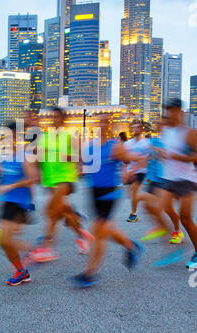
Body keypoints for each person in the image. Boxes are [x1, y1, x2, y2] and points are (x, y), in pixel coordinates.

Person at [71, 114, 145, 288]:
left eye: (105, 121)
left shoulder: (115, 146)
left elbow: (132, 158)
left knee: (99, 232)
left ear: (110, 125)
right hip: (93, 194)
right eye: (99, 121)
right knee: (106, 229)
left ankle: (89, 273)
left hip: (109, 194)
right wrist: (78, 169)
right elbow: (82, 167)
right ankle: (131, 246)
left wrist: (132, 170)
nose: (102, 124)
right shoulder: (89, 147)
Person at [0, 121, 39, 286]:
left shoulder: (26, 156)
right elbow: (2, 176)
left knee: (5, 239)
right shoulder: (3, 156)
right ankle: (22, 270)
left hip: (20, 202)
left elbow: (33, 179)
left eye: (14, 136)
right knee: (6, 240)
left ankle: (32, 253)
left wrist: (12, 186)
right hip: (7, 201)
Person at [32, 107, 93, 262]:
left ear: (63, 119)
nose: (54, 120)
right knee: (63, 212)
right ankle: (82, 234)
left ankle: (47, 246)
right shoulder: (44, 137)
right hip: (50, 179)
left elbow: (78, 158)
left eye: (57, 117)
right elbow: (38, 157)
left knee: (50, 211)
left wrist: (59, 154)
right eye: (52, 117)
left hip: (65, 178)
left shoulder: (69, 137)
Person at [155, 98, 197, 269]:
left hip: (187, 179)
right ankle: (171, 250)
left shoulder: (190, 133)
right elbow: (165, 153)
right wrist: (160, 154)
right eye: (168, 111)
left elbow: (195, 157)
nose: (170, 114)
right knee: (157, 209)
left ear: (180, 112)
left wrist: (173, 156)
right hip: (170, 179)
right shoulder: (166, 132)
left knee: (186, 218)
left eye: (173, 111)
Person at [139, 117, 183, 244]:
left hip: (167, 179)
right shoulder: (154, 141)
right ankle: (164, 227)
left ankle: (176, 231)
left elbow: (176, 159)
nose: (159, 126)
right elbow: (149, 159)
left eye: (162, 124)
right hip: (154, 178)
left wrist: (163, 154)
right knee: (148, 206)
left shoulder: (172, 142)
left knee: (162, 208)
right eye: (158, 124)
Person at [124, 121, 150, 222]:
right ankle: (151, 200)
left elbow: (146, 160)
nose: (135, 130)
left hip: (141, 171)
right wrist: (126, 172)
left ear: (141, 129)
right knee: (131, 194)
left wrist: (134, 169)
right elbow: (125, 160)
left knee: (134, 190)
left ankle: (133, 214)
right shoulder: (128, 144)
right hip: (130, 171)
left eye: (137, 128)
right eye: (133, 128)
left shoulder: (146, 143)